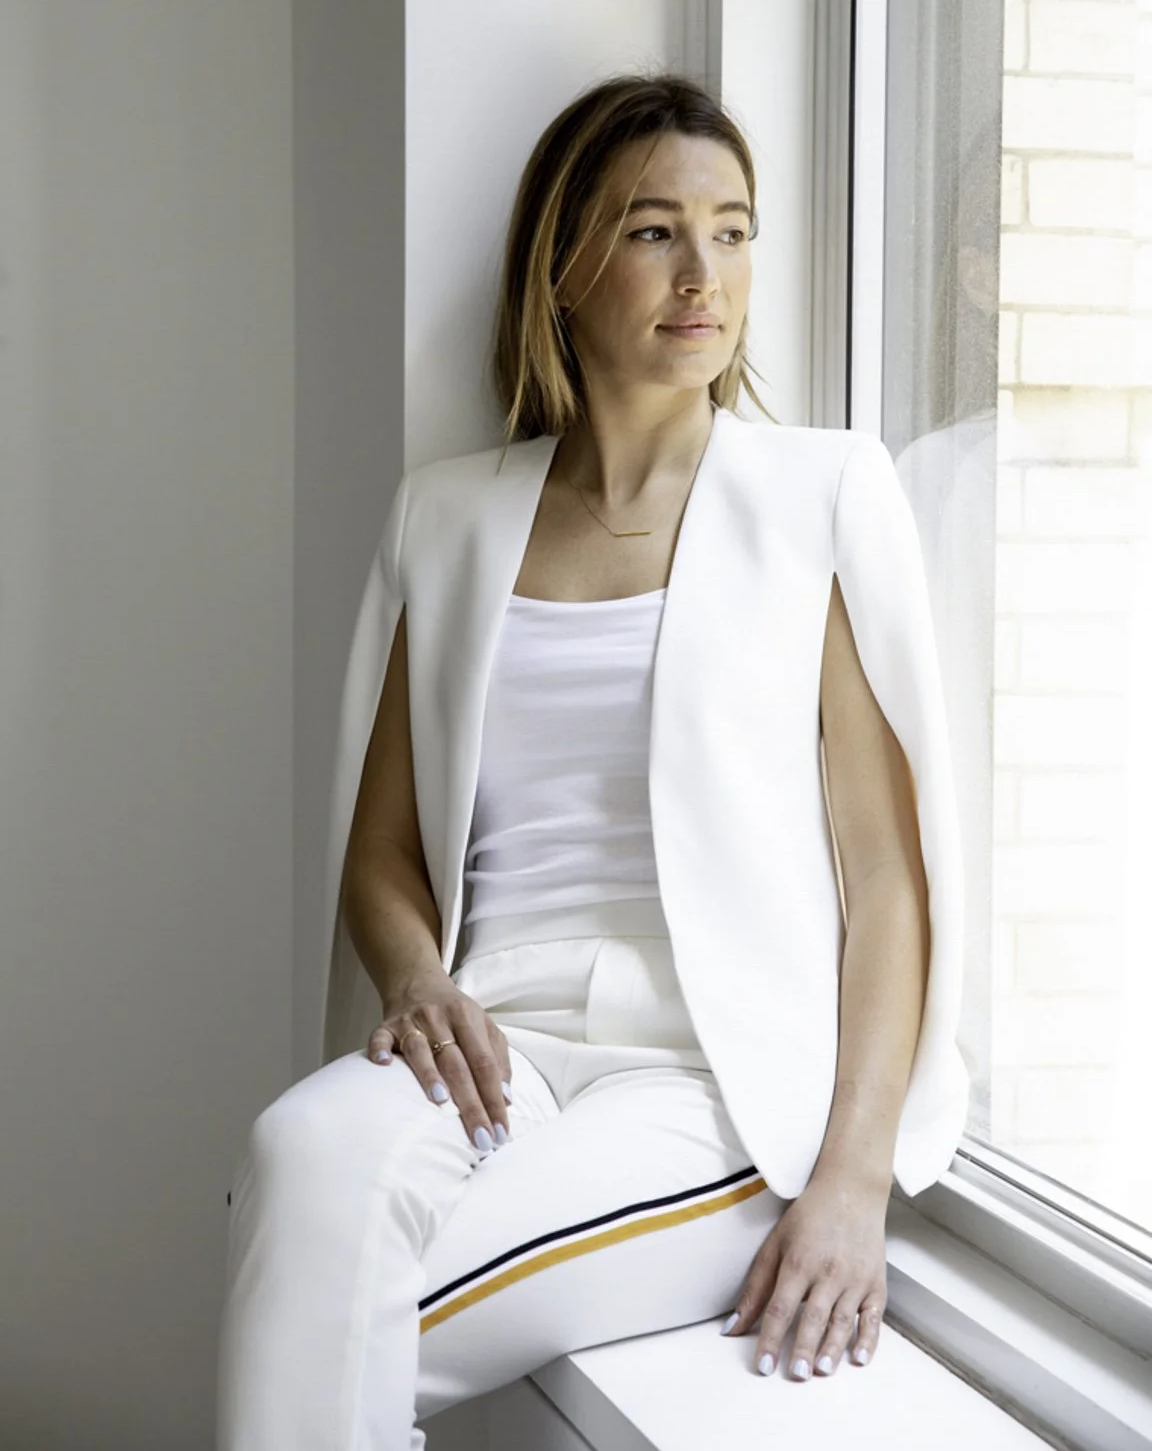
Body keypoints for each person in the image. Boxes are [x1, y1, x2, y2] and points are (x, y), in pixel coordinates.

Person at [216, 72, 969, 1450]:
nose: (706, 275)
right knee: (293, 1152)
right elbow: (382, 847)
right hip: (490, 1040)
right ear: (562, 266)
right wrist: (420, 977)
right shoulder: (445, 515)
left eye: (734, 231)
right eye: (653, 232)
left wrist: (853, 1180)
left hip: (708, 1077)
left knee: (319, 1317)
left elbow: (887, 878)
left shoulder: (823, 494)